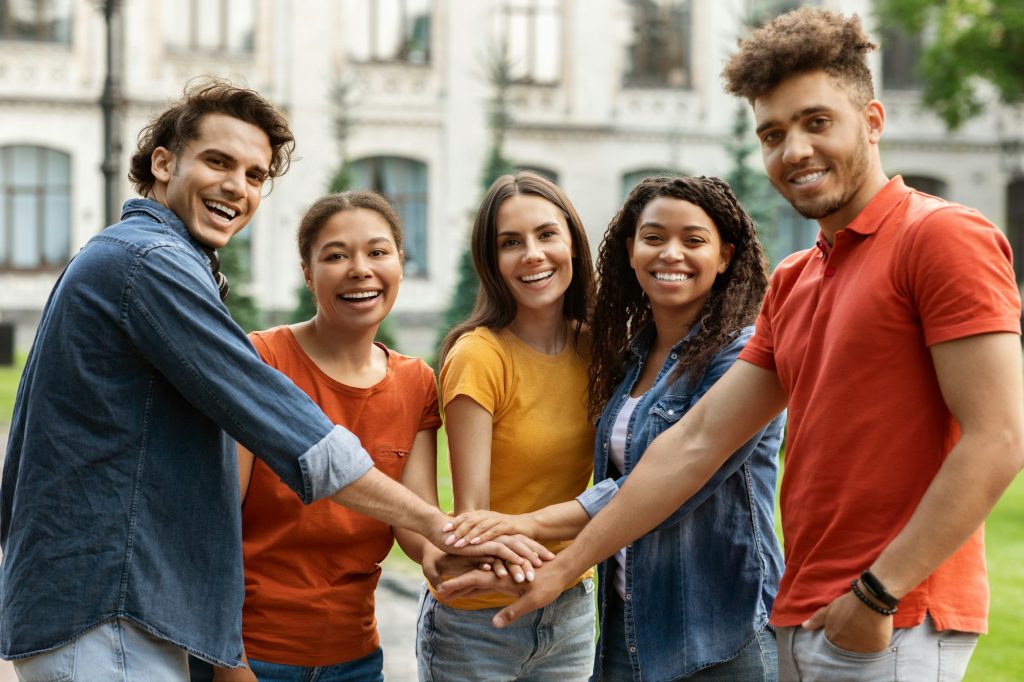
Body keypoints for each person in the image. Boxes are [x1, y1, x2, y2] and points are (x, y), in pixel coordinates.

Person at [441, 8, 1024, 682]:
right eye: (772, 134)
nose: (794, 151)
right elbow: (694, 443)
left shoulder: (940, 236)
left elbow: (1000, 436)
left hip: (890, 616)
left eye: (816, 122)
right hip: (798, 613)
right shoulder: (797, 280)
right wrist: (566, 567)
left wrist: (875, 595)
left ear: (871, 120)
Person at [0, 81, 537, 681]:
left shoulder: (133, 255)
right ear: (163, 163)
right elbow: (292, 431)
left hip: (108, 601)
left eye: (256, 175)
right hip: (107, 605)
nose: (238, 186)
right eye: (218, 161)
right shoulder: (150, 263)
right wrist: (440, 524)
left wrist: (436, 545)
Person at [444, 175, 786, 681]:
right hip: (627, 629)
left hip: (717, 636)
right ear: (630, 251)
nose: (671, 254)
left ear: (725, 255)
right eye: (653, 238)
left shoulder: (742, 358)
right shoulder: (628, 356)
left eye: (693, 241)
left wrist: (529, 527)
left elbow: (664, 483)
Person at [417, 171, 597, 681]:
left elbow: (614, 491)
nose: (532, 254)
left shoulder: (597, 350)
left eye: (546, 235)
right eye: (510, 243)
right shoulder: (479, 355)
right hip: (477, 621)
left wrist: (557, 576)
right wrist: (526, 576)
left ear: (573, 244)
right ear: (491, 262)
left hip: (569, 612)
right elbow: (474, 514)